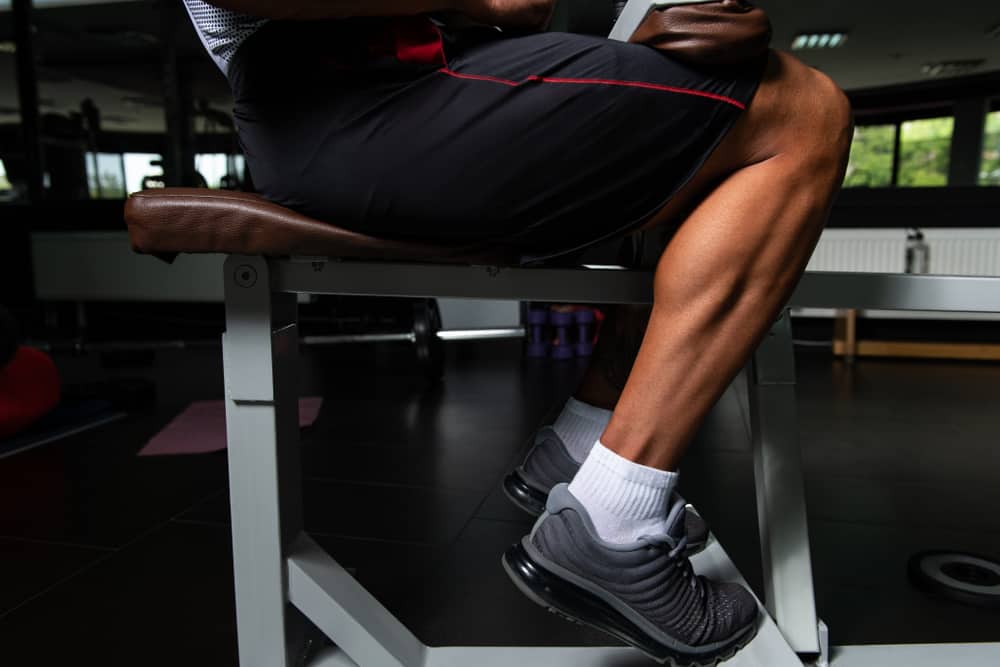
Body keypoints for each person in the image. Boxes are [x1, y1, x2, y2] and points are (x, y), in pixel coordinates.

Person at [183, 1, 852, 663]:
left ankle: (585, 440)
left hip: (382, 95)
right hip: (349, 107)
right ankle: (617, 523)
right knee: (804, 111)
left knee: (703, 142)